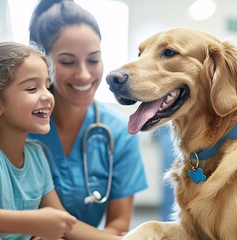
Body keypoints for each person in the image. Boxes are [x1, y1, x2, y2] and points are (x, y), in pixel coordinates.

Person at [0, 41, 121, 240]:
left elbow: (65, 225)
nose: (47, 96)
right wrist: (30, 221)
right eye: (31, 88)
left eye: (47, 86)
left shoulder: (36, 156)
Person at [28, 0, 148, 235]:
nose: (83, 74)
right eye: (67, 62)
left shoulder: (120, 133)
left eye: (93, 60)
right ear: (43, 63)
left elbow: (119, 226)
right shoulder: (19, 127)